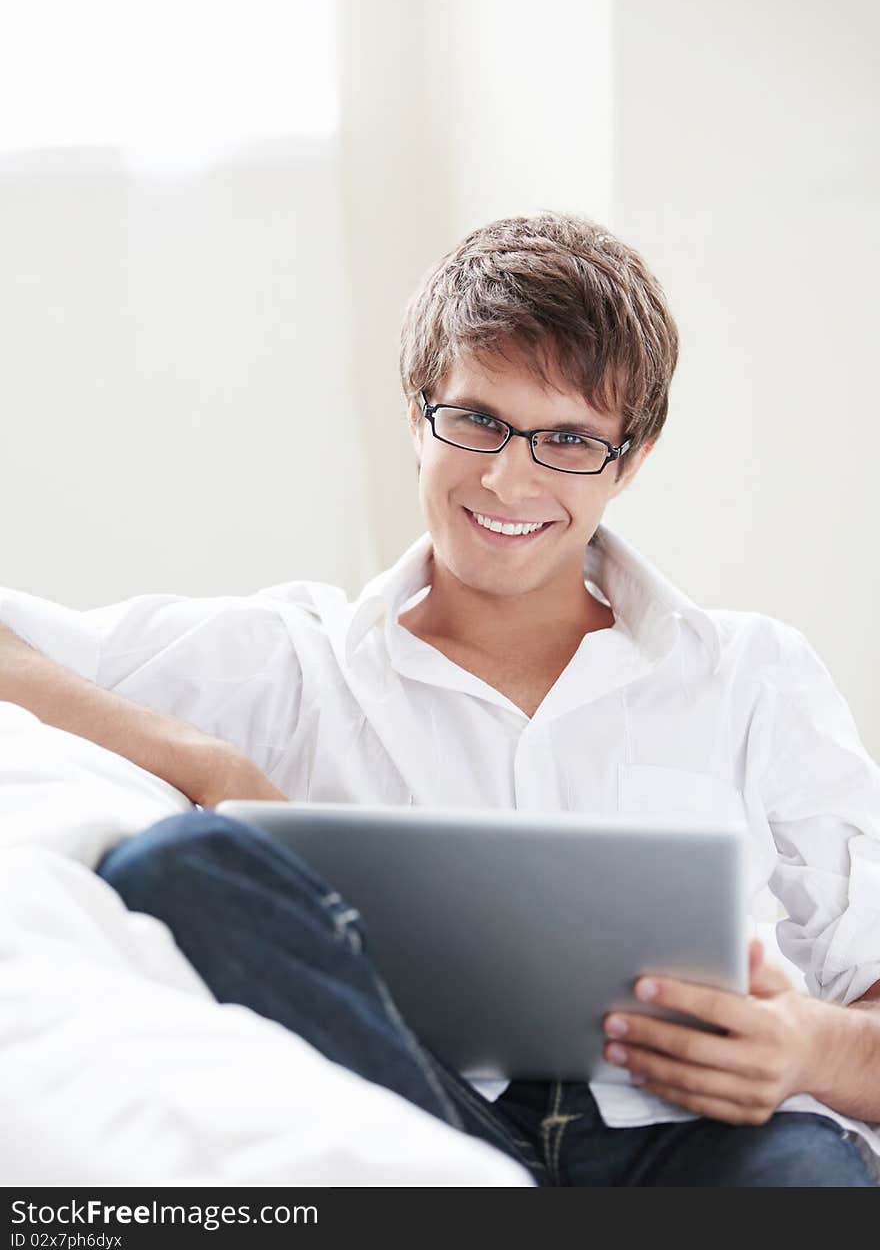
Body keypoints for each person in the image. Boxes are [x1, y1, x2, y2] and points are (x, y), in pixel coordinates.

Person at [1, 212, 878, 1186]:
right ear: (418, 414)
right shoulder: (294, 661)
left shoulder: (753, 675)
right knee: (183, 862)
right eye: (477, 420)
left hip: (708, 1141)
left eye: (568, 440)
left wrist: (807, 1046)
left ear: (628, 459)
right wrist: (212, 765)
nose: (510, 477)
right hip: (420, 1114)